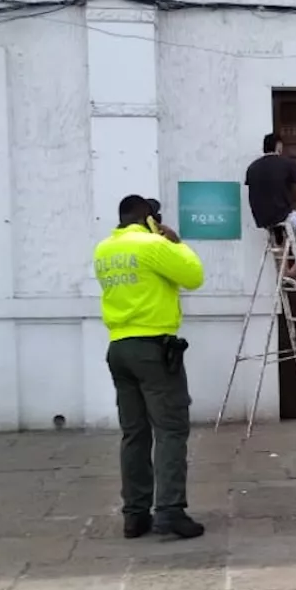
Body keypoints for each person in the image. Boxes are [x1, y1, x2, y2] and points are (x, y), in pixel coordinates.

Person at [93, 194, 206, 539]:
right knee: (170, 429)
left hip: (119, 347)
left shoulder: (104, 250)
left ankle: (135, 514)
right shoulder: (151, 245)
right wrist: (176, 242)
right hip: (153, 349)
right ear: (149, 219)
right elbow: (193, 276)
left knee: (134, 433)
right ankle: (170, 511)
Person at [244, 133, 296, 277]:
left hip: (264, 220)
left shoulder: (252, 167)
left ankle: (283, 274)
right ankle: (293, 272)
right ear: (279, 146)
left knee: (282, 241)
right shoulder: (285, 163)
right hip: (284, 216)